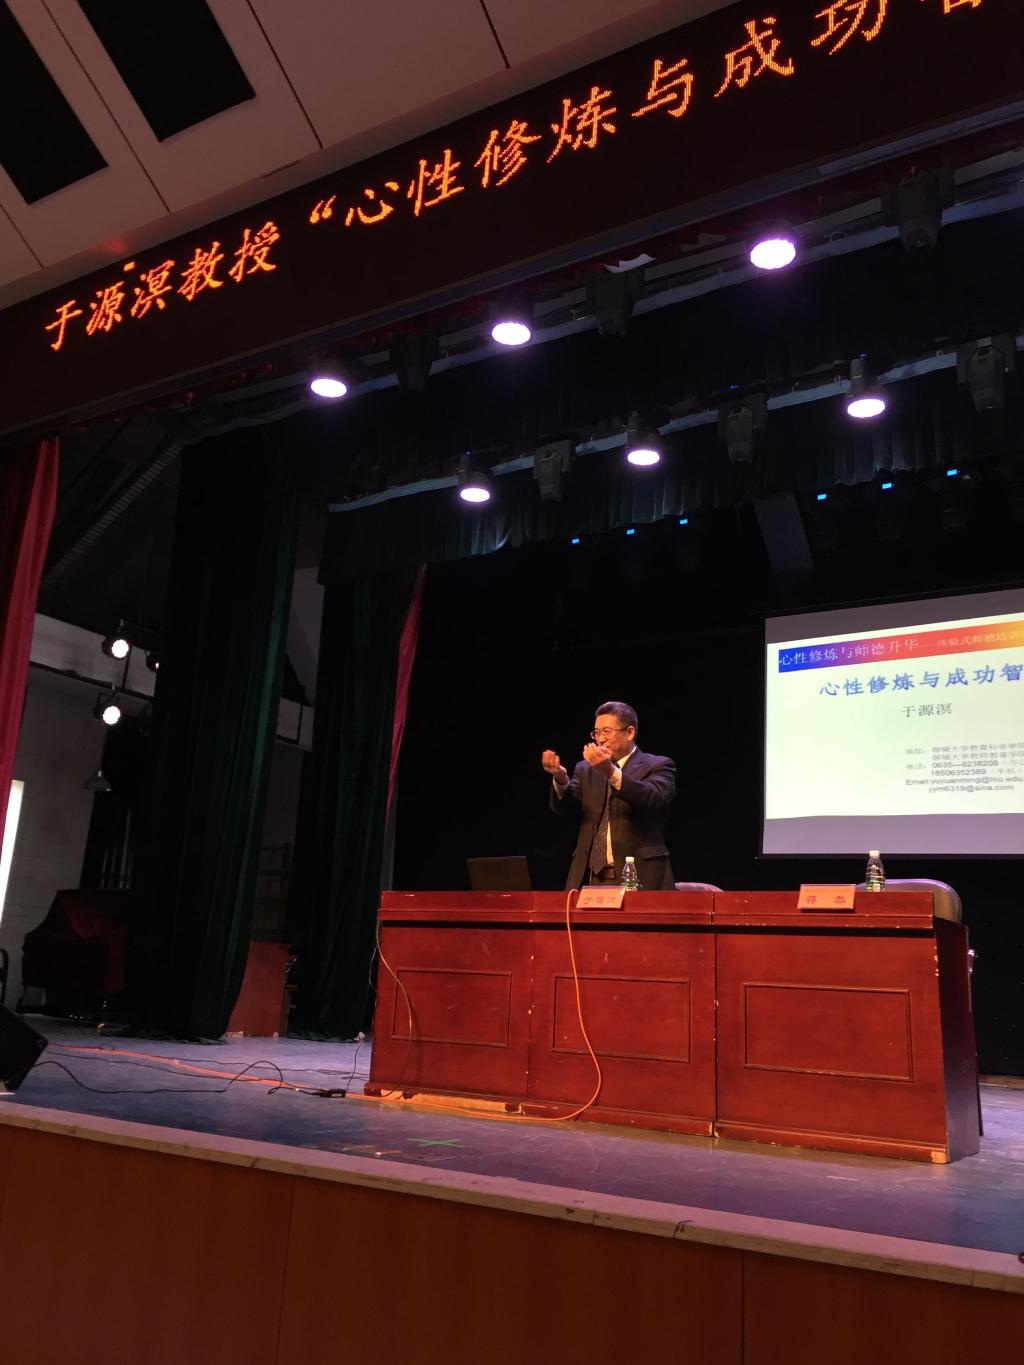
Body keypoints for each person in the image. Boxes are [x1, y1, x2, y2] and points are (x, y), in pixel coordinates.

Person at [542, 701, 676, 890]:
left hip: (638, 874)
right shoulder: (585, 769)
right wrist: (561, 779)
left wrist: (610, 772)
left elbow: (653, 797)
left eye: (607, 731)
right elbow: (565, 808)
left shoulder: (657, 765)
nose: (600, 739)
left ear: (630, 732)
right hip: (589, 876)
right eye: (596, 733)